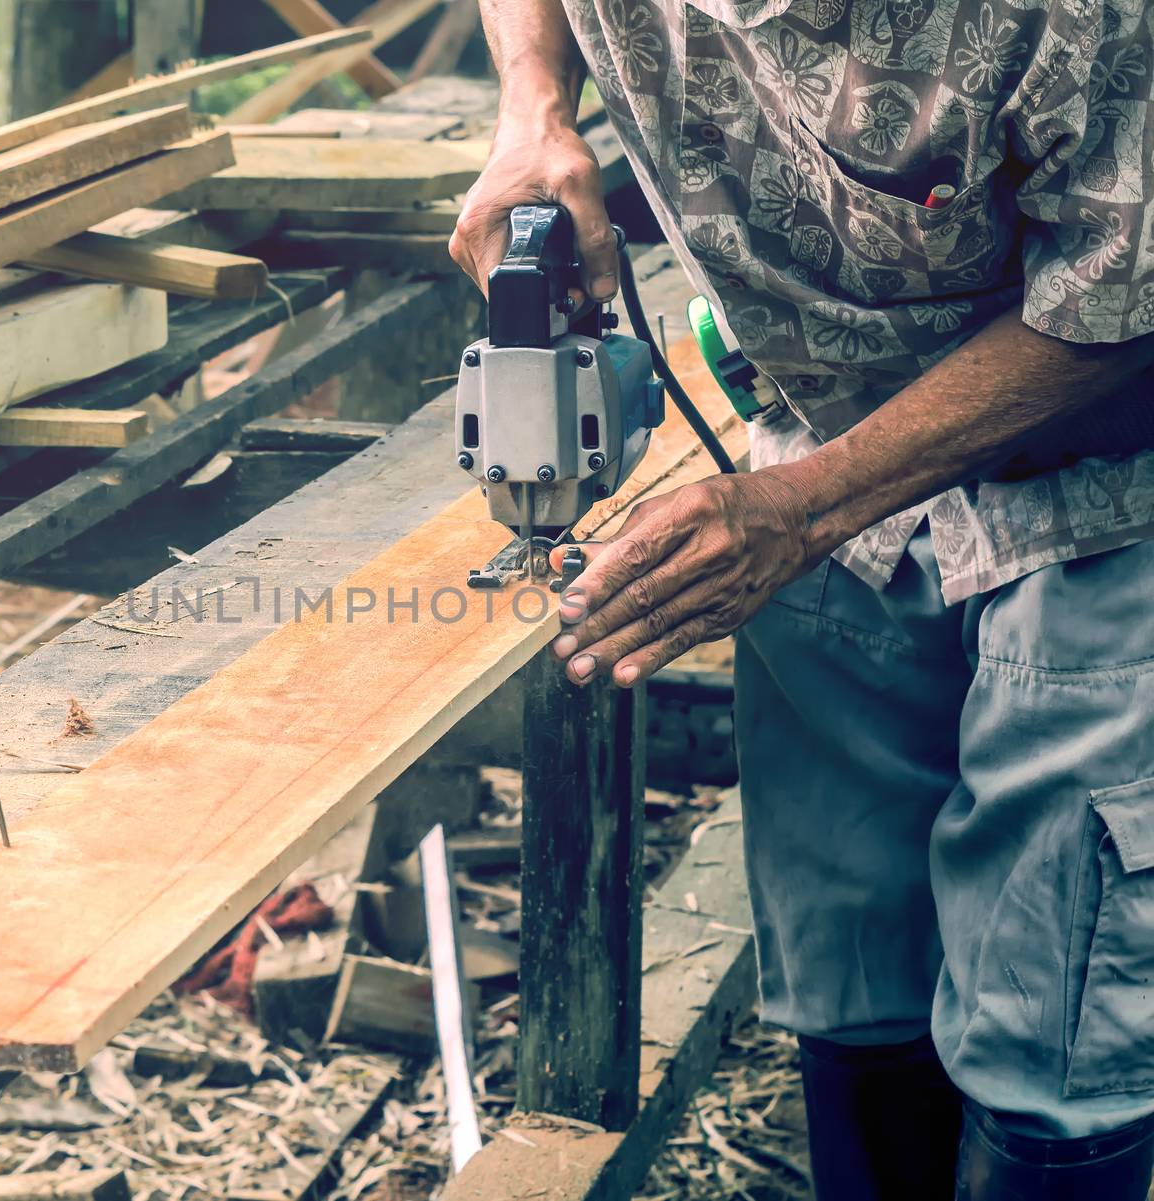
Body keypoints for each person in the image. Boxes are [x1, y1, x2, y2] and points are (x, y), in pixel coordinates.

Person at [450, 2, 1154, 1197]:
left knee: (1061, 1016)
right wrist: (533, 107)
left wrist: (804, 513)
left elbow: (1118, 304)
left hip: (1096, 488)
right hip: (812, 449)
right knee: (853, 955)